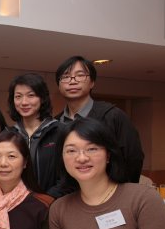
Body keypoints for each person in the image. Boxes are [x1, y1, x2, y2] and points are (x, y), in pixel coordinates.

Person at [49, 118, 165, 229]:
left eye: (92, 149)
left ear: (108, 155)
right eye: (71, 151)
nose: (82, 158)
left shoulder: (144, 199)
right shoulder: (59, 209)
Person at [55, 55, 144, 183]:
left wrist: (120, 191)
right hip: (68, 192)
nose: (72, 81)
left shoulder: (112, 116)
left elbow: (133, 158)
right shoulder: (56, 123)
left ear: (92, 82)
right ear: (59, 85)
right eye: (66, 77)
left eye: (80, 75)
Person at [7, 73, 64, 197]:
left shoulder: (60, 131)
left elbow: (67, 178)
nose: (24, 102)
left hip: (52, 202)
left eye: (31, 95)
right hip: (15, 203)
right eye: (18, 96)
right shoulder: (8, 135)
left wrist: (45, 200)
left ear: (42, 98)